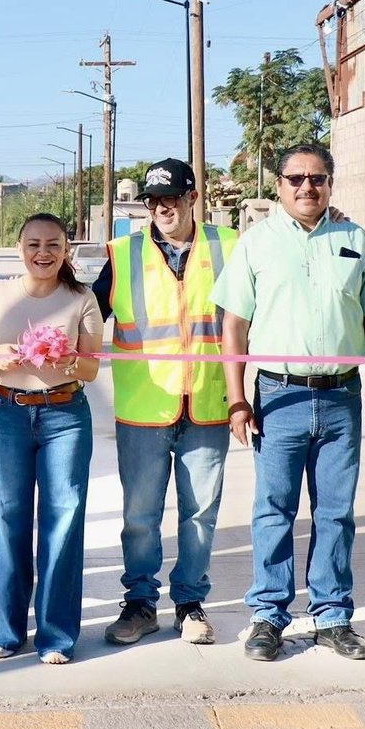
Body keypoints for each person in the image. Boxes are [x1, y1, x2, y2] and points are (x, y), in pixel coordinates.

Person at [212, 143, 365, 662]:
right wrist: (237, 399)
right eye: (295, 178)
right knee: (273, 510)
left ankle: (332, 616)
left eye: (317, 178)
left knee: (336, 512)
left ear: (330, 183)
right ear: (279, 186)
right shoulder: (256, 243)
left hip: (341, 396)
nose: (306, 187)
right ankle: (268, 616)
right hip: (279, 396)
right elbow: (234, 325)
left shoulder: (354, 239)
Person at [91, 159, 236, 647]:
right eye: (153, 201)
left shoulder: (230, 246)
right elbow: (87, 314)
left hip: (209, 404)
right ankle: (140, 604)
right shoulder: (123, 254)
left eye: (171, 198)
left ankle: (190, 604)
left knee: (200, 515)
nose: (162, 208)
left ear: (193, 197)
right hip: (144, 408)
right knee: (140, 517)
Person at [0, 213, 103, 664]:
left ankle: (56, 635)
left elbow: (91, 369)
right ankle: (3, 630)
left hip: (65, 416)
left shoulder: (82, 298)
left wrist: (68, 359)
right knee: (5, 517)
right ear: (19, 247)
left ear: (66, 250)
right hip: (6, 415)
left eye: (53, 245)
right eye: (33, 244)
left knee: (62, 520)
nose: (43, 253)